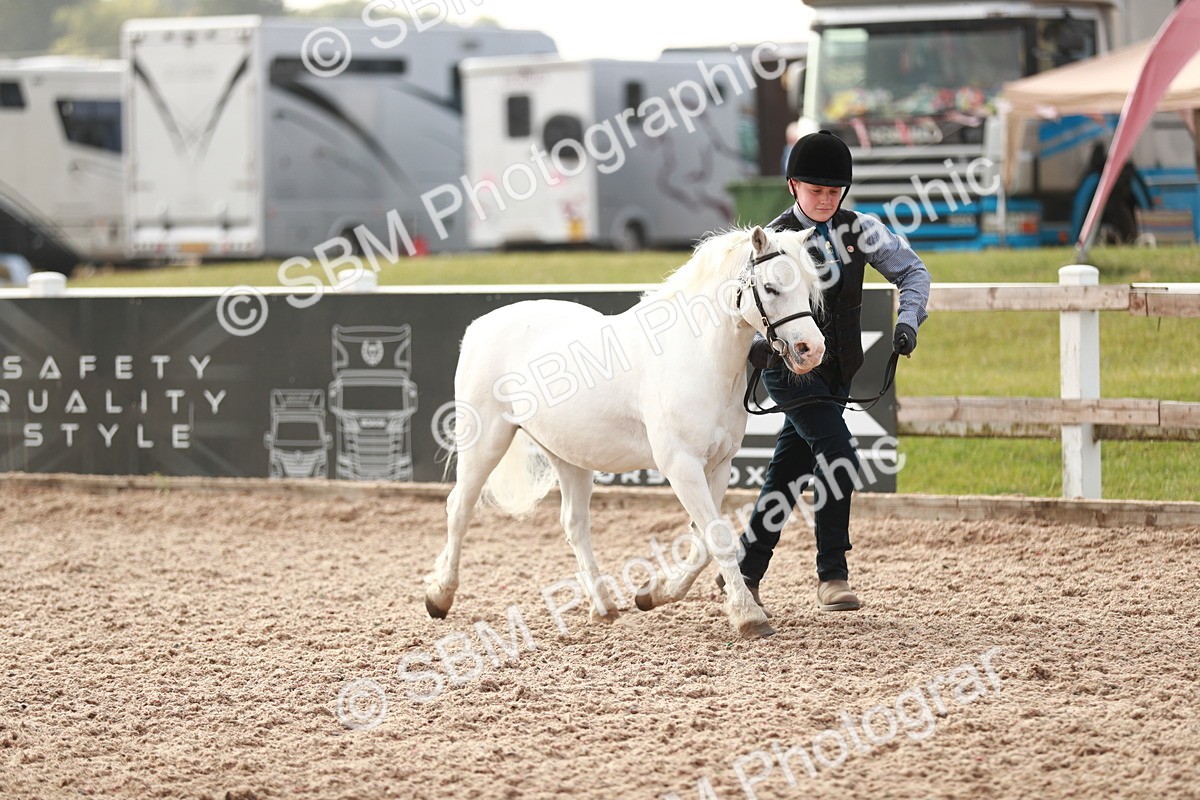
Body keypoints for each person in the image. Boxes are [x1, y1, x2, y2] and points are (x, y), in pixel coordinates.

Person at [726, 129, 931, 614]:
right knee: (838, 452)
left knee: (788, 471)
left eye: (834, 192)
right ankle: (832, 573)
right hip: (790, 370)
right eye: (815, 191)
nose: (824, 200)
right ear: (794, 186)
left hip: (839, 371)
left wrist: (907, 321)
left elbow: (913, 272)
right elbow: (747, 306)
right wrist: (757, 346)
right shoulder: (770, 241)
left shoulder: (862, 230)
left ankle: (745, 570)